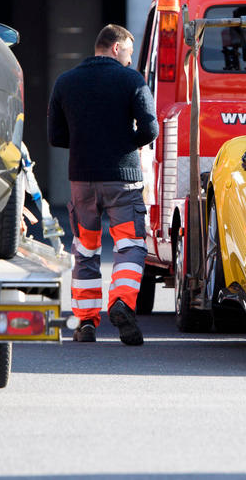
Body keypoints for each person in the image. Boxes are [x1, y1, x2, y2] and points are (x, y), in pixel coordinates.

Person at [47, 24, 159, 345]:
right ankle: (122, 303)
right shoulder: (131, 80)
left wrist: (87, 144)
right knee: (130, 246)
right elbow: (150, 130)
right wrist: (124, 144)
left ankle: (85, 323)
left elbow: (56, 136)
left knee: (85, 249)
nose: (129, 60)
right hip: (122, 180)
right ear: (115, 47)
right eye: (128, 52)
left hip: (81, 181)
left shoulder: (65, 82)